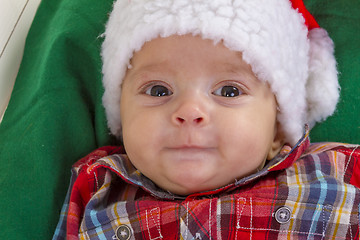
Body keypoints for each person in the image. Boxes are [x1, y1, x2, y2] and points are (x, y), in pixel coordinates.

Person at [53, 0, 360, 239]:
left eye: (228, 91)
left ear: (278, 129)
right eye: (158, 90)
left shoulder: (339, 172)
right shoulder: (97, 188)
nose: (189, 110)